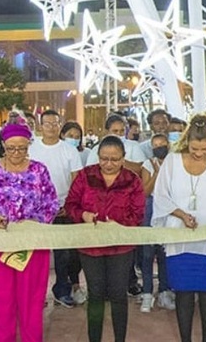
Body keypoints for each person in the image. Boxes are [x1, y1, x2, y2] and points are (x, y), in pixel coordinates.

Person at [154, 115, 206, 342]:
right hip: (180, 238)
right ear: (186, 141)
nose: (199, 153)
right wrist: (181, 215)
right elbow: (161, 196)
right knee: (183, 292)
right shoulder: (171, 161)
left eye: (205, 148)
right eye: (194, 148)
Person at [0, 121, 59, 342]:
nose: (17, 153)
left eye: (22, 148)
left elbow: (51, 204)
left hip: (32, 245)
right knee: (0, 303)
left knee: (31, 303)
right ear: (3, 144)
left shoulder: (39, 169)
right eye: (11, 148)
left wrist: (32, 222)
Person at [65, 135, 145, 342]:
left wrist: (118, 223)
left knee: (119, 295)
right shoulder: (85, 176)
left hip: (121, 248)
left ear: (123, 158)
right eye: (104, 159)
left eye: (114, 159)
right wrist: (83, 215)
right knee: (96, 294)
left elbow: (138, 214)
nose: (108, 164)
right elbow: (71, 204)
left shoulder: (132, 181)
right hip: (90, 246)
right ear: (97, 157)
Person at [29, 110, 85, 308]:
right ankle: (36, 294)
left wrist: (68, 204)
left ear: (60, 125)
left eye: (55, 123)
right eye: (47, 123)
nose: (51, 127)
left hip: (63, 209)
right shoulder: (32, 149)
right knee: (38, 255)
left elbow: (77, 180)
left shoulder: (69, 151)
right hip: (36, 211)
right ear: (40, 126)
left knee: (64, 255)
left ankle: (62, 290)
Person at [139, 133, 175, 312]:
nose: (159, 147)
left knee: (164, 252)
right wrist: (157, 174)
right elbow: (145, 192)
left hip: (169, 208)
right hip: (150, 208)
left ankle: (164, 292)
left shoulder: (175, 162)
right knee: (147, 253)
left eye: (162, 144)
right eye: (155, 145)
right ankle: (147, 293)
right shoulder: (148, 164)